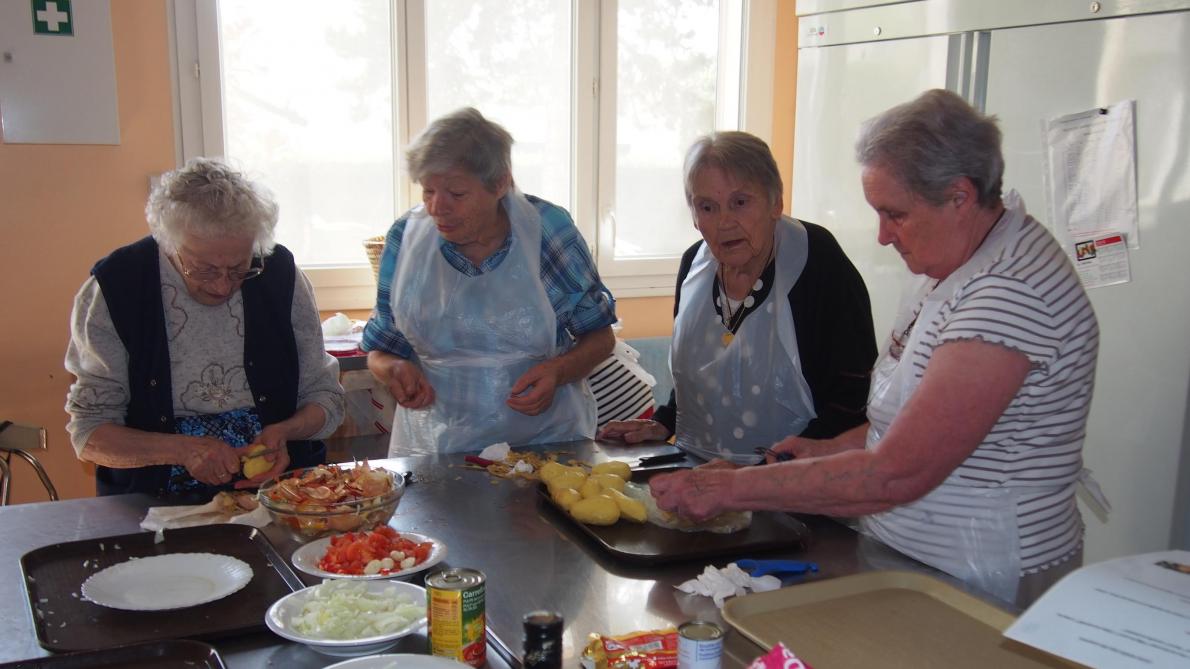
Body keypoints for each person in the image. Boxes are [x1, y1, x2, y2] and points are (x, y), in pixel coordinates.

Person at [649, 90, 1100, 607]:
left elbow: (899, 472)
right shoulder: (961, 262)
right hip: (915, 559)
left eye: (896, 214)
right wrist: (831, 447)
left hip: (985, 573)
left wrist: (730, 490)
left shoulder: (1006, 294)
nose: (883, 236)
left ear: (959, 196)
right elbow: (914, 414)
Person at [65, 158, 345, 498]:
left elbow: (324, 396)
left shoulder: (280, 274)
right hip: (154, 500)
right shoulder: (117, 287)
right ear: (168, 245)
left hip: (280, 492)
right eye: (204, 270)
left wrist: (286, 431)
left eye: (240, 267)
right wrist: (182, 450)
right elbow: (90, 433)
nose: (222, 286)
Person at [598, 131, 876, 462]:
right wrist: (664, 421)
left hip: (795, 484)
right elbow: (702, 374)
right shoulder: (693, 267)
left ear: (776, 203)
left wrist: (767, 471)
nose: (724, 222)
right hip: (700, 474)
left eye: (740, 202)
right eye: (707, 207)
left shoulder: (816, 261)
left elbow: (855, 395)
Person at [362, 108, 616, 454]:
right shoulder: (406, 239)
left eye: (456, 193)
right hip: (436, 449)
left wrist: (559, 371)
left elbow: (600, 337)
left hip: (543, 445)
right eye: (428, 191)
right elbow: (380, 349)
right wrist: (393, 368)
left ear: (500, 183)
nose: (438, 207)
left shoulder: (547, 231)